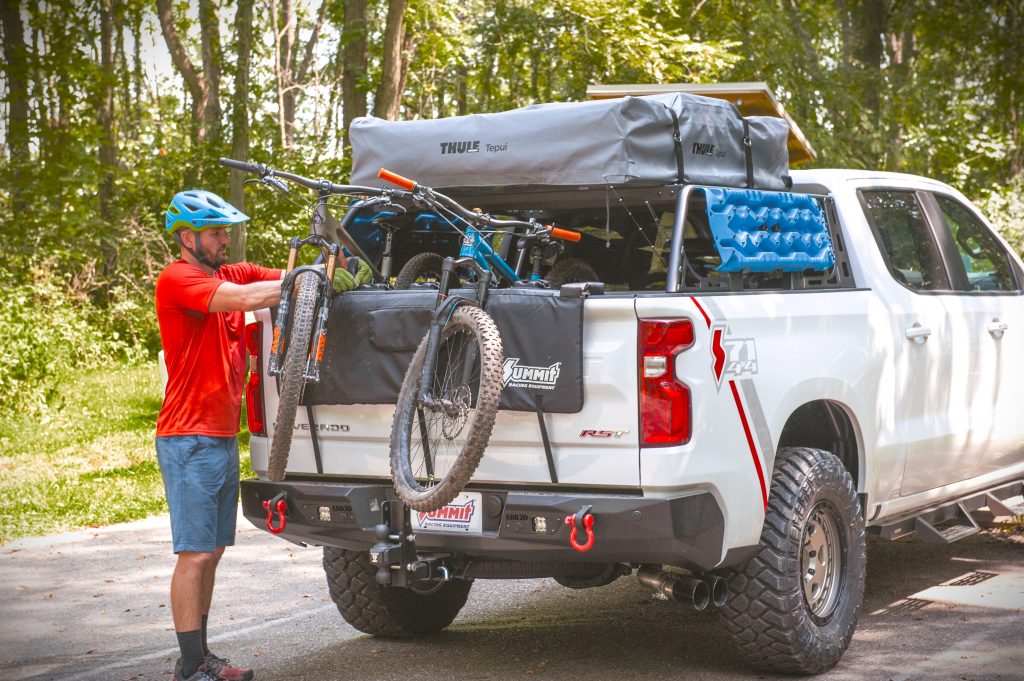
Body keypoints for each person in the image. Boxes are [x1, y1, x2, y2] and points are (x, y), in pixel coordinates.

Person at [155, 189, 284, 681]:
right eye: (214, 233)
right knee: (195, 554)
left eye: (225, 231)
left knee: (213, 552)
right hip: (188, 437)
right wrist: (306, 281)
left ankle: (201, 657)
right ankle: (191, 665)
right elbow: (250, 298)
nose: (223, 240)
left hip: (221, 436)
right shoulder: (177, 279)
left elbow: (280, 275)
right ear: (187, 239)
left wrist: (330, 265)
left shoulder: (229, 272)